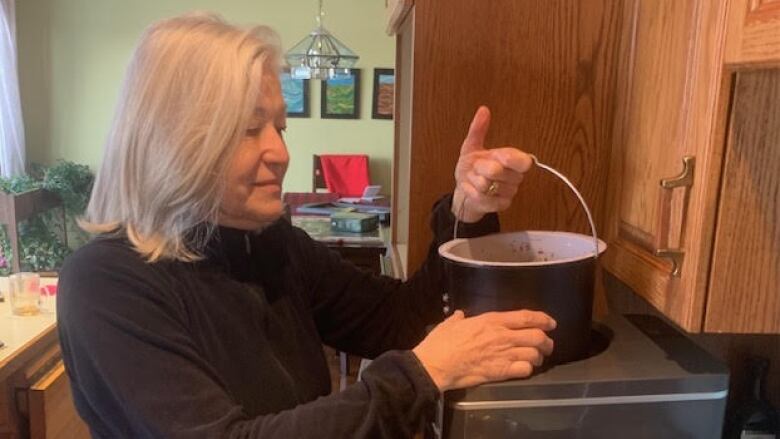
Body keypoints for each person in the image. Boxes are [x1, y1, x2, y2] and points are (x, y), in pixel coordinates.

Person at [57, 13, 556, 439]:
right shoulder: (107, 284)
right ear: (170, 141)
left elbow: (400, 318)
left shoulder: (271, 246)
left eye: (280, 126)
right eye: (250, 129)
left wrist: (465, 213)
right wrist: (422, 374)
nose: (280, 152)